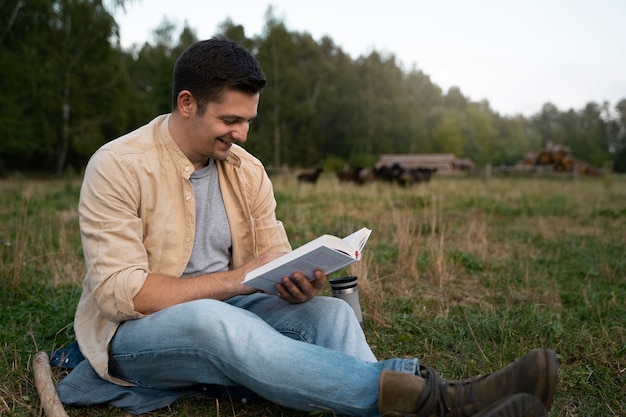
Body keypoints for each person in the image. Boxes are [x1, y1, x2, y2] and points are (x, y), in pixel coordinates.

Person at [62, 37, 558, 417]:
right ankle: (440, 398)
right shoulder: (118, 165)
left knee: (333, 317)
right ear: (187, 103)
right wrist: (236, 281)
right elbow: (121, 293)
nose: (241, 134)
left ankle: (418, 403)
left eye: (249, 120)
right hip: (137, 337)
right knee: (216, 321)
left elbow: (273, 263)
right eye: (230, 120)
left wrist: (299, 282)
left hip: (237, 312)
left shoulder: (247, 169)